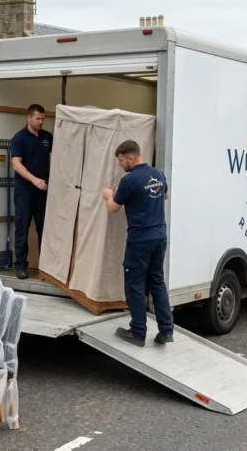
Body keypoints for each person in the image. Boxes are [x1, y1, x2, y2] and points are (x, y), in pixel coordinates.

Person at [101, 140, 174, 347]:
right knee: (157, 282)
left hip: (140, 239)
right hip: (159, 236)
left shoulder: (129, 180)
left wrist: (108, 196)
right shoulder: (158, 174)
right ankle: (166, 330)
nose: (120, 164)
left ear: (131, 158)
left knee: (135, 284)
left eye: (121, 160)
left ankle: (138, 332)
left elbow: (113, 208)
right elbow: (166, 195)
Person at [9, 103, 53, 279]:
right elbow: (16, 164)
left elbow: (57, 157)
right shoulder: (19, 138)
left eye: (43, 119)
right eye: (38, 119)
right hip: (25, 190)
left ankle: (46, 267)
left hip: (43, 190)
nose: (41, 122)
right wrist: (34, 180)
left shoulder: (47, 137)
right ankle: (20, 265)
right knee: (22, 227)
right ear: (28, 118)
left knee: (44, 228)